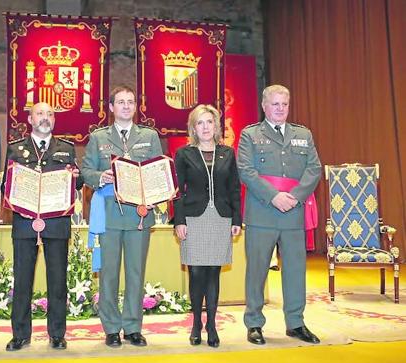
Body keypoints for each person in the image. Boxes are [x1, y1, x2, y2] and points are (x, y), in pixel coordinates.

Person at [237, 84, 322, 345]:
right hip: (262, 213)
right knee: (257, 271)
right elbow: (245, 171)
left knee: (295, 270)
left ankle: (295, 323)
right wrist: (274, 196)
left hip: (293, 213)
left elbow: (314, 168)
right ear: (264, 106)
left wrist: (294, 197)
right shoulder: (250, 135)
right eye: (275, 104)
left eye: (284, 104)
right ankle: (254, 323)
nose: (280, 109)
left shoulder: (302, 134)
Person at [81, 85, 162, 347]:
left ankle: (133, 326)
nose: (126, 106)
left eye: (130, 102)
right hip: (110, 215)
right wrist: (99, 177)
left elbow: (158, 171)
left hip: (139, 215)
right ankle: (112, 328)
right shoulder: (98, 137)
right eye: (121, 102)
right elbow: (86, 170)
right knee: (109, 274)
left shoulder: (149, 137)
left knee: (136, 273)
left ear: (135, 107)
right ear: (112, 107)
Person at [2, 102, 83, 351]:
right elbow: (7, 184)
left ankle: (57, 333)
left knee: (57, 280)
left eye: (50, 114)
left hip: (57, 224)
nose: (45, 118)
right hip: (25, 223)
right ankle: (20, 334)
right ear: (30, 119)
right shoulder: (16, 149)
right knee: (23, 279)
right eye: (40, 114)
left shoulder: (66, 149)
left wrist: (76, 179)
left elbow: (77, 187)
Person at [173, 104, 242, 348]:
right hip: (193, 218)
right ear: (193, 128)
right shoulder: (184, 154)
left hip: (221, 218)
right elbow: (177, 191)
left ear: (216, 126)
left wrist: (237, 219)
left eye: (209, 122)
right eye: (200, 123)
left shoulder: (228, 153)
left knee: (213, 272)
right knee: (197, 273)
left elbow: (234, 188)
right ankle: (195, 324)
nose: (205, 127)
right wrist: (178, 220)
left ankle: (211, 324)